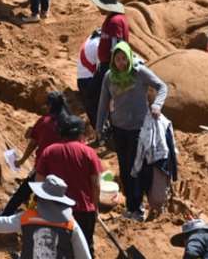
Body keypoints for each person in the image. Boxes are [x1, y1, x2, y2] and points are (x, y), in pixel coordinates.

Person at [95, 41, 169, 221]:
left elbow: (162, 87)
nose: (121, 63)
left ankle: (138, 208)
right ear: (113, 60)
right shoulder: (109, 77)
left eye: (124, 59)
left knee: (135, 168)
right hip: (119, 128)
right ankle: (131, 205)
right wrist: (99, 126)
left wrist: (157, 105)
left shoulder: (139, 72)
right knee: (125, 166)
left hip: (139, 129)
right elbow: (103, 103)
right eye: (118, 59)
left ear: (129, 57)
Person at [0, 175, 92, 259]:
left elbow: (4, 223)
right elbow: (83, 254)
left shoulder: (28, 218)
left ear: (40, 197)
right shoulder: (70, 224)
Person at [36, 115, 103, 257]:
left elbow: (39, 182)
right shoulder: (89, 152)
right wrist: (95, 208)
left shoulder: (49, 151)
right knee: (85, 248)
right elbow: (96, 184)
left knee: (57, 250)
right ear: (80, 133)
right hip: (84, 210)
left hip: (55, 211)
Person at [133, 111, 178, 216]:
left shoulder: (161, 122)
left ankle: (158, 212)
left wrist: (136, 168)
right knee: (154, 191)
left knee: (157, 197)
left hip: (159, 162)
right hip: (156, 162)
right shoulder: (159, 120)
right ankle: (155, 211)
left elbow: (170, 145)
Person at [15, 91, 72, 170]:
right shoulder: (72, 123)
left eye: (47, 104)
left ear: (50, 105)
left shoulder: (44, 121)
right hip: (66, 169)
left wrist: (21, 161)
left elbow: (32, 144)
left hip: (44, 168)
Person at [88, 0, 129, 91]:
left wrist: (115, 69)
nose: (97, 7)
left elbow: (117, 45)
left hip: (110, 66)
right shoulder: (112, 19)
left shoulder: (115, 21)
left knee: (96, 93)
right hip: (106, 64)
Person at [76, 30, 102, 129]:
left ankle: (98, 132)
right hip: (90, 80)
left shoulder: (89, 41)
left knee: (91, 110)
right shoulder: (98, 44)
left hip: (81, 80)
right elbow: (101, 68)